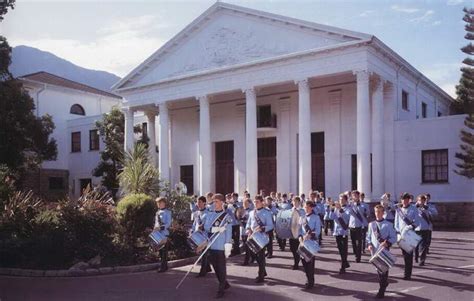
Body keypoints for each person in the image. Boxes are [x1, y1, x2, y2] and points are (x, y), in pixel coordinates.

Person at [203, 194, 232, 298]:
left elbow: (229, 232)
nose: (214, 203)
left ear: (222, 202)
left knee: (221, 268)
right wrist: (217, 229)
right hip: (211, 244)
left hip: (220, 246)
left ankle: (221, 289)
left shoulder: (227, 217)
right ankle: (225, 283)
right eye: (214, 201)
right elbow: (206, 228)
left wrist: (228, 246)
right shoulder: (210, 214)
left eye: (217, 201)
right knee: (215, 267)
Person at [366, 205, 397, 299]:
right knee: (379, 271)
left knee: (384, 270)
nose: (378, 213)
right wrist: (369, 244)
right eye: (376, 212)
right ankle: (384, 283)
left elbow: (394, 237)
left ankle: (381, 290)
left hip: (384, 251)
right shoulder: (371, 224)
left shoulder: (388, 224)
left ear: (383, 213)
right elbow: (368, 237)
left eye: (380, 212)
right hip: (374, 251)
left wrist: (387, 243)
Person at [245, 195, 274, 283]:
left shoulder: (267, 213)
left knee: (260, 256)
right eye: (254, 202)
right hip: (253, 236)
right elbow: (248, 224)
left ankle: (261, 275)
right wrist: (248, 230)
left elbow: (271, 225)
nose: (255, 203)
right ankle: (263, 270)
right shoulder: (251, 213)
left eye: (257, 202)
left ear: (262, 202)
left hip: (262, 237)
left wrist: (262, 228)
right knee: (254, 255)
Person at [394, 192, 421, 280]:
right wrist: (398, 233)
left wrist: (408, 228)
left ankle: (407, 274)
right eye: (403, 199)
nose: (404, 201)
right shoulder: (399, 210)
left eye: (406, 199)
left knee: (409, 255)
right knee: (404, 254)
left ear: (409, 200)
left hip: (410, 234)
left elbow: (417, 222)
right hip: (401, 235)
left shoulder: (413, 209)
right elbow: (396, 223)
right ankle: (407, 272)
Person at [299, 200, 321, 289]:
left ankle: (310, 281)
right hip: (303, 242)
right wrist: (300, 237)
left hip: (311, 242)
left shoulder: (316, 217)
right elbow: (299, 230)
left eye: (307, 207)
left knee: (310, 263)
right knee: (304, 262)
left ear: (311, 208)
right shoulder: (302, 218)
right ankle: (308, 277)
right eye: (305, 207)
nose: (306, 209)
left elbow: (318, 231)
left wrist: (310, 235)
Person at [330, 194, 351, 274]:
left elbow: (346, 217)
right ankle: (345, 262)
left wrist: (340, 209)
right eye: (340, 199)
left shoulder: (348, 208)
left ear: (346, 200)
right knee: (340, 248)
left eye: (342, 199)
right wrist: (331, 209)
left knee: (344, 249)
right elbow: (332, 217)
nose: (341, 200)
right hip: (337, 231)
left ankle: (343, 266)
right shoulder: (336, 208)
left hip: (343, 231)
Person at [414, 194, 437, 266]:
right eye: (420, 200)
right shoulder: (414, 208)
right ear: (417, 201)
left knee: (423, 246)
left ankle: (422, 260)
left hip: (425, 228)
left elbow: (435, 213)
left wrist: (428, 208)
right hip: (416, 229)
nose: (421, 202)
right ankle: (416, 256)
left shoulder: (428, 207)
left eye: (423, 201)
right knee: (416, 245)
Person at [192, 196, 211, 277]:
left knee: (203, 253)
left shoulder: (209, 213)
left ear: (204, 203)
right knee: (203, 253)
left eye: (200, 202)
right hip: (197, 235)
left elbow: (209, 224)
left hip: (205, 235)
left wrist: (203, 227)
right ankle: (207, 267)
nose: (198, 204)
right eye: (197, 202)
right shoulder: (196, 213)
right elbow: (194, 224)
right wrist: (192, 231)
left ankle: (202, 271)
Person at [348, 190, 368, 263]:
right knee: (353, 242)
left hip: (360, 225)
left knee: (359, 242)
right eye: (353, 195)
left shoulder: (363, 205)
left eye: (355, 195)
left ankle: (358, 257)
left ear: (358, 196)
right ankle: (356, 252)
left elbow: (367, 214)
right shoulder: (350, 204)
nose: (354, 197)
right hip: (352, 225)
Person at [155, 197, 172, 273]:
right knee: (160, 251)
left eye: (160, 203)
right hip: (158, 233)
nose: (158, 204)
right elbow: (156, 223)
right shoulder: (157, 213)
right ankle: (164, 265)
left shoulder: (168, 212)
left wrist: (161, 227)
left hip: (164, 233)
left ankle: (163, 266)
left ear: (164, 203)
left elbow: (168, 223)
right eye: (158, 203)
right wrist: (155, 228)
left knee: (164, 250)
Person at [289, 196, 305, 270]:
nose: (295, 203)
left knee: (298, 248)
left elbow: (304, 221)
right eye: (293, 201)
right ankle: (296, 259)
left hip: (299, 232)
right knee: (292, 248)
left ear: (299, 202)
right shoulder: (290, 210)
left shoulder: (302, 211)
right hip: (291, 232)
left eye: (296, 202)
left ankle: (296, 263)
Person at [240, 198, 255, 266]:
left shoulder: (251, 211)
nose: (245, 204)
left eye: (246, 203)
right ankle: (253, 257)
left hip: (249, 230)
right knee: (246, 245)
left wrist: (245, 220)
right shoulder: (242, 210)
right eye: (244, 203)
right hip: (243, 230)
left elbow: (252, 221)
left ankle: (246, 261)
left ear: (249, 204)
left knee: (247, 246)